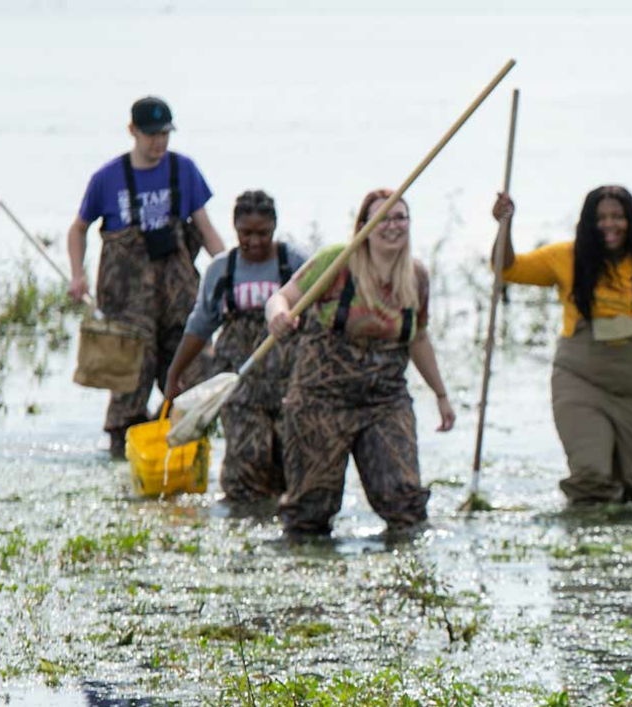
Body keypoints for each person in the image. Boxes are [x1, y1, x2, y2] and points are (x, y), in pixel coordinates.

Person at [488, 185, 632, 505]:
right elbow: (507, 269)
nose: (609, 224)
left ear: (631, 221)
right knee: (590, 478)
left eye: (617, 217)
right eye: (601, 218)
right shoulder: (565, 257)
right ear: (587, 223)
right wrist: (505, 224)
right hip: (580, 381)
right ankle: (583, 547)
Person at [264, 189, 454, 536]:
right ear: (363, 225)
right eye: (382, 219)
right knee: (310, 512)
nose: (392, 227)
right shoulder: (337, 261)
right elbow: (282, 297)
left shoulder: (416, 277)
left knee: (405, 504)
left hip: (385, 402)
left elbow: (419, 338)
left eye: (400, 218)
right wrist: (278, 316)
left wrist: (441, 395)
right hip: (319, 401)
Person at [67, 96, 228, 458]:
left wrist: (230, 270)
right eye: (151, 134)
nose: (159, 142)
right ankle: (126, 448)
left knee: (198, 374)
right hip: (128, 308)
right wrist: (77, 276)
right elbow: (78, 230)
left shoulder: (183, 170)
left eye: (165, 134)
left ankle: (168, 434)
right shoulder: (107, 179)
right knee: (129, 384)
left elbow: (206, 230)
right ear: (132, 131)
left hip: (179, 301)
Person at [165, 190, 307, 505]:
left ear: (275, 227)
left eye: (263, 233)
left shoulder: (295, 264)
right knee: (247, 463)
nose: (254, 241)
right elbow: (199, 326)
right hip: (239, 383)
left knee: (292, 463)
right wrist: (175, 374)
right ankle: (246, 526)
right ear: (234, 228)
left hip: (290, 382)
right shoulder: (222, 269)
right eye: (246, 233)